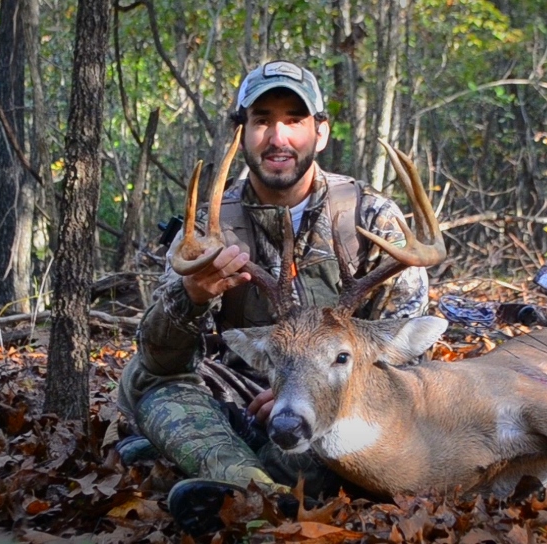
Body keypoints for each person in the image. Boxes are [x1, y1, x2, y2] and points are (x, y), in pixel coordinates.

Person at [116, 60, 430, 536]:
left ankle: (214, 470)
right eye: (262, 120)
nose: (277, 137)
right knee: (148, 384)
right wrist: (191, 296)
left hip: (338, 400)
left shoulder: (373, 218)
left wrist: (309, 393)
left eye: (294, 120)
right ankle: (259, 488)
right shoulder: (208, 227)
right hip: (233, 394)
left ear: (319, 133)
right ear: (242, 132)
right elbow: (161, 358)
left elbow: (408, 353)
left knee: (349, 441)